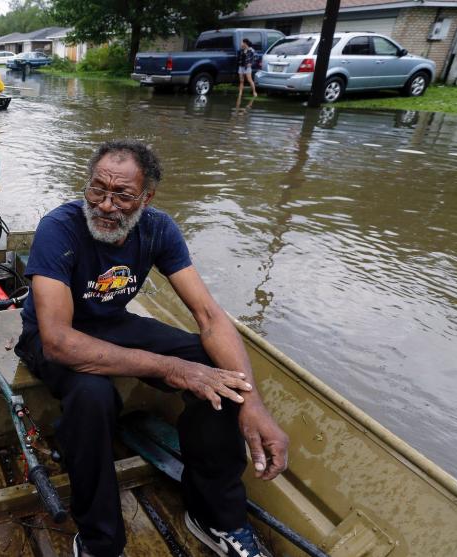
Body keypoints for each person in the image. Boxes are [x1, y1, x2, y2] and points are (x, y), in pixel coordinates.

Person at [14, 140, 288, 557]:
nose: (106, 205)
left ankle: (216, 518)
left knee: (216, 367)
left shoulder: (158, 228)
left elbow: (210, 317)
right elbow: (58, 340)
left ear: (146, 197)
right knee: (93, 395)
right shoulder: (60, 227)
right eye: (97, 190)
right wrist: (169, 369)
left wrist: (252, 403)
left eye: (122, 195)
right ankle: (99, 541)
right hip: (53, 336)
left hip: (113, 324)